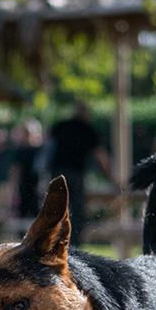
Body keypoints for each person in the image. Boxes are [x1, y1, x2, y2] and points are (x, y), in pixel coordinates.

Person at [47, 102, 115, 246]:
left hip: (57, 172)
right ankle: (74, 247)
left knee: (55, 210)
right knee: (77, 214)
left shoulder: (61, 126)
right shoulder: (88, 130)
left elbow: (47, 148)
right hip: (76, 174)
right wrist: (112, 179)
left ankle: (51, 244)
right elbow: (101, 158)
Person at [8, 119, 43, 220]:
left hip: (37, 186)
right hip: (24, 185)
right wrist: (13, 185)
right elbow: (15, 169)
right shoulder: (20, 151)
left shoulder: (38, 150)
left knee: (36, 211)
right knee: (23, 211)